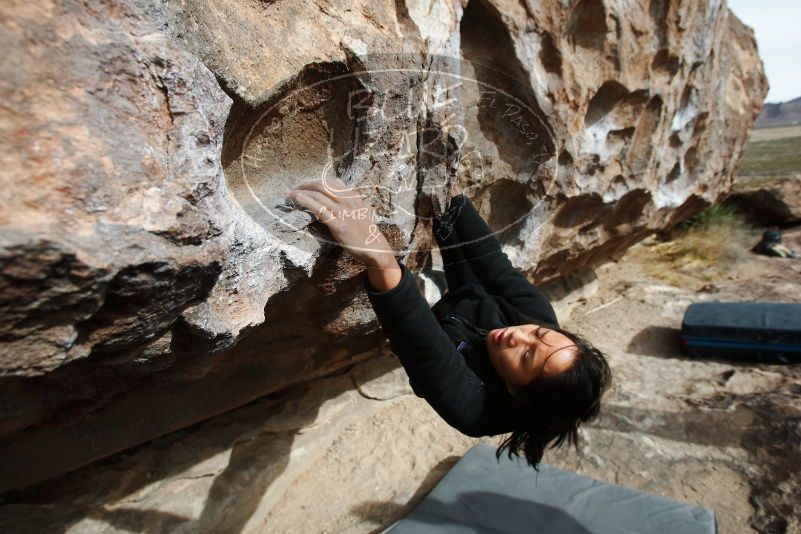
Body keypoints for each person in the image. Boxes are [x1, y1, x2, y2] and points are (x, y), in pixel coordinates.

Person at [285, 177, 612, 470]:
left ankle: (424, 287)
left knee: (404, 303)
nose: (519, 336)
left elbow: (424, 345)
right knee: (444, 216)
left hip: (446, 340)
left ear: (519, 394)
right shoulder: (538, 319)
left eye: (527, 356)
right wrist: (449, 196)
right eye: (538, 334)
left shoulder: (475, 410)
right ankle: (431, 272)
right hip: (465, 301)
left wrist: (376, 250)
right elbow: (491, 264)